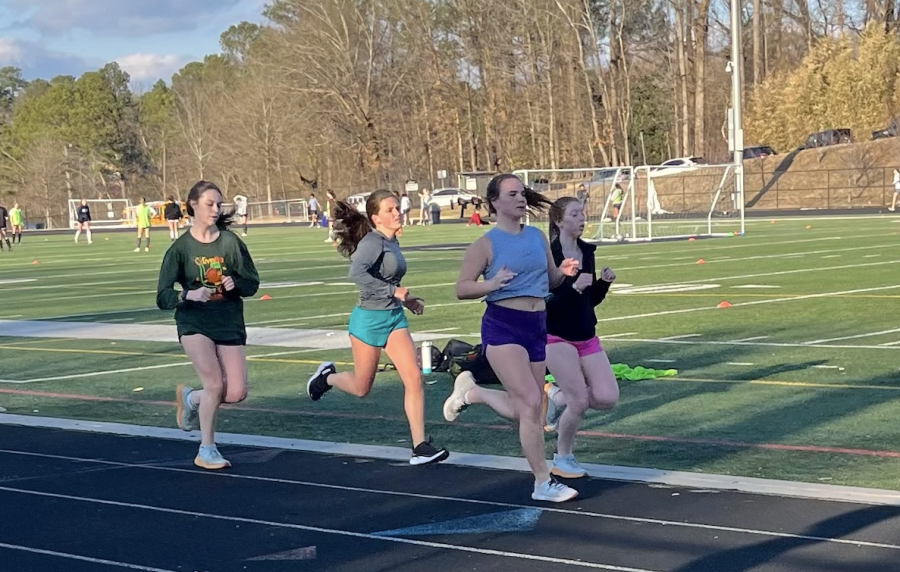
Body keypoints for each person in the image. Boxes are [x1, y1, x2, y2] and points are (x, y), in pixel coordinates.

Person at [442, 173, 580, 502]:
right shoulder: (485, 244)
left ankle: (472, 392)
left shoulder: (535, 237)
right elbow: (462, 287)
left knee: (526, 410)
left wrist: (565, 273)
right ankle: (542, 482)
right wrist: (490, 285)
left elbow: (549, 281)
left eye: (522, 193)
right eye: (512, 194)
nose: (521, 199)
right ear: (494, 202)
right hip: (503, 325)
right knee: (532, 403)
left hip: (536, 325)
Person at [305, 189, 449, 466]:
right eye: (390, 210)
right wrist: (393, 291)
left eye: (397, 208)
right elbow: (356, 273)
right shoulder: (372, 242)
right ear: (376, 217)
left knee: (414, 378)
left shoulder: (392, 241)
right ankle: (326, 378)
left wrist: (406, 302)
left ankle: (419, 446)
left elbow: (389, 282)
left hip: (393, 319)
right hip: (369, 321)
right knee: (362, 388)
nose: (397, 213)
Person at [157, 180, 260, 470]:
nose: (216, 209)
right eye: (209, 204)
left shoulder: (230, 243)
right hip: (194, 322)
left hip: (228, 321)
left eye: (218, 204)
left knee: (236, 392)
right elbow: (163, 296)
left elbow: (251, 283)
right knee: (214, 382)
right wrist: (187, 294)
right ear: (193, 206)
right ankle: (207, 448)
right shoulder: (180, 249)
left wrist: (234, 283)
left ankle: (191, 399)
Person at [541, 196, 619, 479]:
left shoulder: (587, 251)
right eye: (575, 214)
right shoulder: (551, 254)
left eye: (583, 214)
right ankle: (563, 457)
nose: (582, 219)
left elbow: (589, 301)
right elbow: (545, 302)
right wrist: (572, 288)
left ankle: (556, 397)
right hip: (556, 335)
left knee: (607, 397)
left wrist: (603, 284)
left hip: (585, 332)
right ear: (560, 221)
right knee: (580, 401)